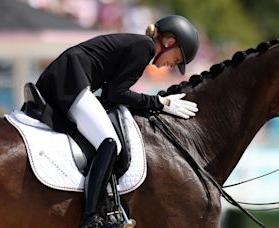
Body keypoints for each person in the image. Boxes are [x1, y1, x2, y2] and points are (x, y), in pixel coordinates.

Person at [35, 15, 199, 228]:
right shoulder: (145, 48)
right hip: (70, 80)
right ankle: (91, 218)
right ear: (169, 42)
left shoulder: (140, 46)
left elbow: (113, 92)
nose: (171, 65)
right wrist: (160, 103)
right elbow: (117, 93)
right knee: (110, 142)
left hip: (68, 77)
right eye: (176, 59)